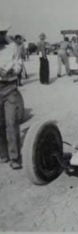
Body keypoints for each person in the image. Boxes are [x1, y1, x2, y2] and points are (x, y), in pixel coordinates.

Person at [0, 28, 22, 169]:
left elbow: (18, 62)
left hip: (10, 88)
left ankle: (15, 157)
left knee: (11, 122)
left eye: (2, 33)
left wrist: (15, 69)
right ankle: (3, 154)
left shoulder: (12, 46)